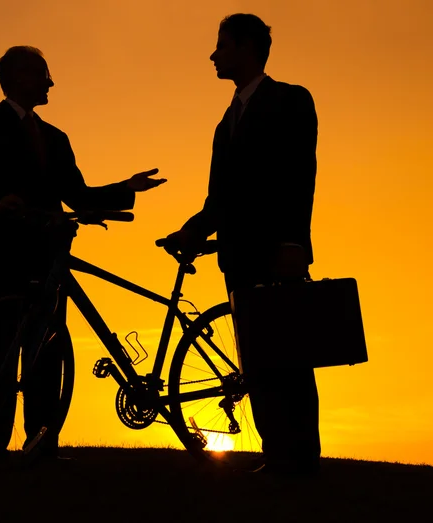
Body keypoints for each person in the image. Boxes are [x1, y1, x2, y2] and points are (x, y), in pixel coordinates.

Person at [0, 45, 166, 461]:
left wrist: (126, 188)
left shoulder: (56, 137)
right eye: (42, 74)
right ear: (15, 77)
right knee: (1, 345)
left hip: (50, 252)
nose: (50, 83)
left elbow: (77, 193)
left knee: (48, 348)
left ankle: (43, 443)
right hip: (6, 251)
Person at [161, 14, 320, 474]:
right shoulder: (226, 121)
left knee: (291, 357)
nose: (214, 55)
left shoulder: (290, 100)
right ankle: (277, 458)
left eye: (222, 45)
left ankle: (303, 461)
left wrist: (294, 242)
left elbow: (299, 177)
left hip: (277, 252)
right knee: (258, 360)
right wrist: (193, 230)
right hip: (238, 255)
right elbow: (220, 198)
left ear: (248, 48)